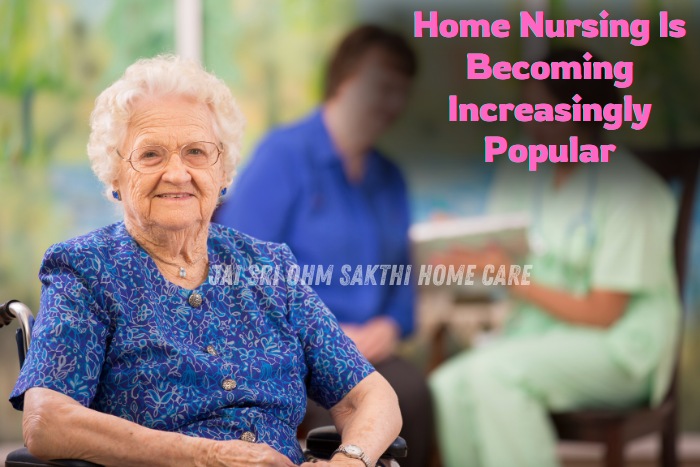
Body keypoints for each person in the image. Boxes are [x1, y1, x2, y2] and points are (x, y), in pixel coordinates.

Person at [9, 55, 402, 467]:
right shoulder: (86, 269)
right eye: (151, 155)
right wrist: (208, 456)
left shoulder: (269, 268)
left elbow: (370, 397)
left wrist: (350, 461)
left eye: (196, 152)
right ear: (114, 175)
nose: (177, 173)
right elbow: (47, 421)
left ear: (224, 172)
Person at [429, 47, 681, 467]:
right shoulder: (525, 173)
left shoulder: (632, 190)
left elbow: (605, 313)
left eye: (538, 107)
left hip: (618, 349)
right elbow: (499, 248)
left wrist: (511, 279)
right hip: (543, 338)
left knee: (494, 375)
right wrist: (453, 239)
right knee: (446, 385)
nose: (526, 118)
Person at [215, 25, 433, 467]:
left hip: (374, 354)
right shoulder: (283, 156)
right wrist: (326, 335)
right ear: (345, 82)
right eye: (383, 88)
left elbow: (404, 293)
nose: (394, 105)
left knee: (416, 394)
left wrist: (389, 326)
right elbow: (237, 272)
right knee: (331, 413)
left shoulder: (390, 178)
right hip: (296, 350)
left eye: (401, 92)